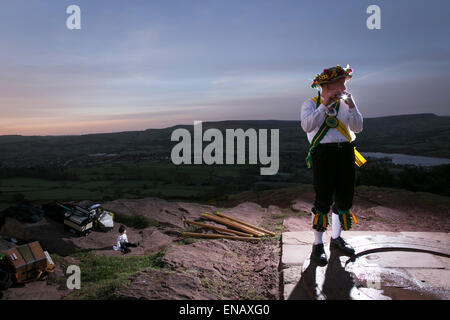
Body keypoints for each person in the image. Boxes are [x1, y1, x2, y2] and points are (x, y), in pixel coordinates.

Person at [300, 64, 364, 266]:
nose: (344, 89)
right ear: (326, 86)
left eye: (345, 85)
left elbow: (358, 128)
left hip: (346, 152)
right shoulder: (309, 104)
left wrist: (353, 107)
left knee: (345, 197)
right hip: (323, 154)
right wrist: (323, 105)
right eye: (340, 84)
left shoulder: (347, 104)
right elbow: (308, 126)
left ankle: (336, 239)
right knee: (323, 198)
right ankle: (317, 245)